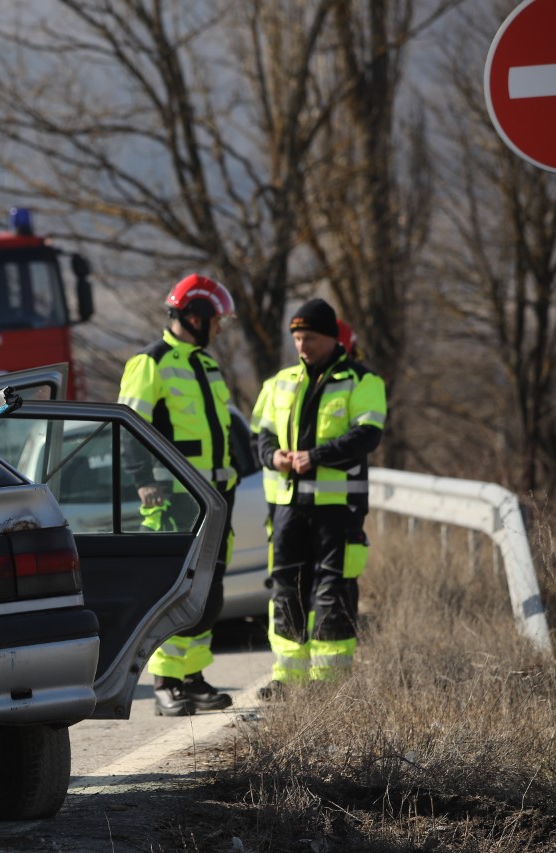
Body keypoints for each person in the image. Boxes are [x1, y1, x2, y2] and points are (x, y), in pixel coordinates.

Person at [118, 274, 238, 716]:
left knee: (209, 594)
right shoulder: (150, 363)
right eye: (217, 320)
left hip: (217, 495)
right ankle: (166, 683)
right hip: (173, 496)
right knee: (176, 591)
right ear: (195, 316)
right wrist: (143, 482)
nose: (221, 328)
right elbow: (131, 428)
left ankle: (193, 677)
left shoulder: (206, 365)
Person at [256, 299, 386, 696]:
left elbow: (368, 434)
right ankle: (288, 677)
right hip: (287, 507)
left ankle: (328, 684)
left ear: (331, 338)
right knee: (286, 586)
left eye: (309, 337)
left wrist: (316, 457)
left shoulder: (362, 381)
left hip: (337, 510)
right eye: (296, 337)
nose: (301, 346)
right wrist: (274, 456)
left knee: (333, 589)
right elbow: (258, 433)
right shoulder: (279, 382)